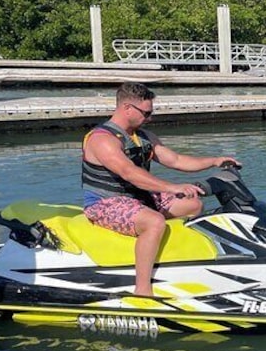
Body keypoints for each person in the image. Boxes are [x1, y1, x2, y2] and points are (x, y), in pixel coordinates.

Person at [82, 82, 239, 297]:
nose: (150, 117)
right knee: (154, 221)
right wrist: (171, 187)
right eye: (146, 113)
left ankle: (176, 262)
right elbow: (129, 173)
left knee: (193, 204)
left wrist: (215, 160)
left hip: (139, 196)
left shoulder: (143, 136)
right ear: (127, 108)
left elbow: (175, 160)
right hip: (105, 202)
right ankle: (143, 289)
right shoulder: (102, 139)